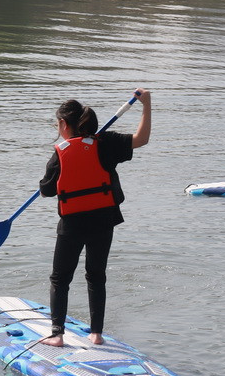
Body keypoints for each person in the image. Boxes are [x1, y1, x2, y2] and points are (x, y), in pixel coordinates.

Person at [37, 90, 151, 347]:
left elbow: (46, 191)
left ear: (64, 125)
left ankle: (57, 334)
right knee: (96, 275)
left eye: (58, 124)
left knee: (60, 278)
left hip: (72, 224)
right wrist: (147, 105)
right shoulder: (106, 143)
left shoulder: (60, 154)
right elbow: (141, 139)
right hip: (103, 220)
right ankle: (96, 333)